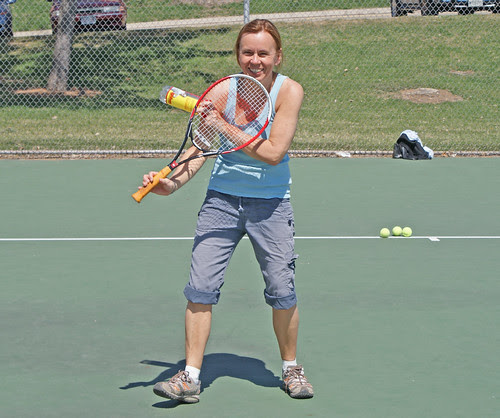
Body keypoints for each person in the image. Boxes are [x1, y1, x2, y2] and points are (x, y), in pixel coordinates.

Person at [140, 19, 313, 403]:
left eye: (263, 53)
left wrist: (222, 124)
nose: (255, 60)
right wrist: (170, 184)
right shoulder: (222, 92)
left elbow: (273, 152)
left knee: (282, 290)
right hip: (221, 201)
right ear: (238, 55)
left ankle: (291, 369)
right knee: (200, 288)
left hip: (271, 204)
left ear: (278, 57)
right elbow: (199, 147)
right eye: (247, 52)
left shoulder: (289, 92)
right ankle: (190, 377)